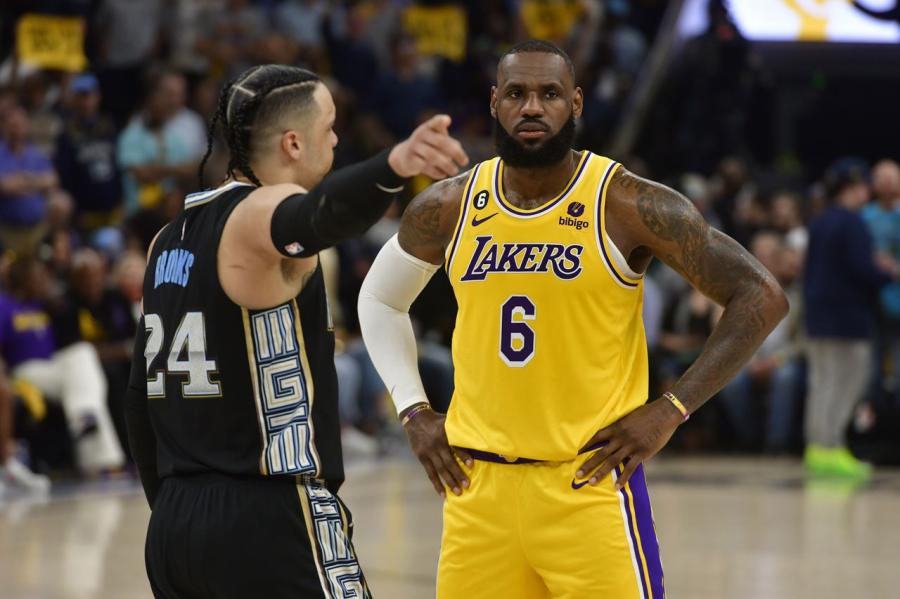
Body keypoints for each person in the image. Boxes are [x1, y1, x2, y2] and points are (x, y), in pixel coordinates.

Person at [358, 41, 787, 598]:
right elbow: (379, 300)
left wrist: (670, 410)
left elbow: (760, 295)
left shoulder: (627, 203)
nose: (531, 107)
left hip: (587, 486)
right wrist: (413, 411)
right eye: (516, 93)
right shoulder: (450, 205)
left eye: (549, 94)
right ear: (494, 103)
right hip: (477, 491)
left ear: (576, 103)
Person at [123, 64, 467, 598]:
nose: (335, 138)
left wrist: (172, 508)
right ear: (292, 143)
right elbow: (317, 219)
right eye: (329, 127)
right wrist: (395, 164)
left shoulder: (167, 238)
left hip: (175, 523)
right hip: (268, 512)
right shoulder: (261, 211)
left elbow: (138, 400)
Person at [803, 162, 897, 479]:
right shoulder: (853, 223)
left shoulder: (819, 221)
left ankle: (817, 449)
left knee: (822, 383)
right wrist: (888, 271)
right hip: (847, 318)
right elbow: (862, 270)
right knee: (846, 383)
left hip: (817, 318)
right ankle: (833, 448)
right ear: (853, 189)